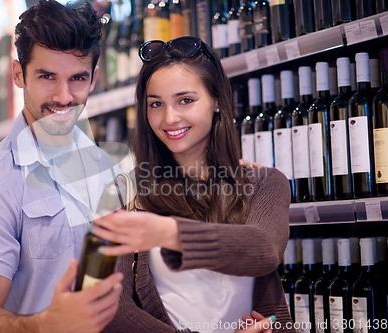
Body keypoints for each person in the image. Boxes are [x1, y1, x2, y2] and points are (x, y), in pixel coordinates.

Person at [91, 36, 294, 333]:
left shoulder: (264, 183)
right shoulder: (120, 194)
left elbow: (263, 250)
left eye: (185, 100)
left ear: (216, 101)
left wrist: (169, 233)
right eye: (156, 104)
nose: (170, 118)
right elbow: (109, 309)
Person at [0, 1, 124, 333]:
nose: (63, 96)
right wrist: (50, 324)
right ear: (18, 74)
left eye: (77, 79)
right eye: (47, 77)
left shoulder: (106, 168)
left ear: (94, 79)